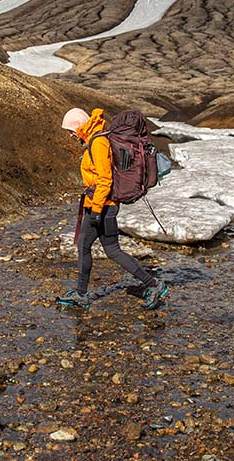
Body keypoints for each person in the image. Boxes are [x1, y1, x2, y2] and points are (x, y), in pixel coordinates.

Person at [56, 107, 170, 310]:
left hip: (103, 207)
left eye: (71, 130)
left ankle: (152, 284)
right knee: (104, 249)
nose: (71, 135)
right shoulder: (94, 140)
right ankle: (151, 284)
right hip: (101, 205)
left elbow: (105, 180)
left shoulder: (98, 143)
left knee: (97, 249)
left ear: (80, 126)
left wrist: (97, 211)